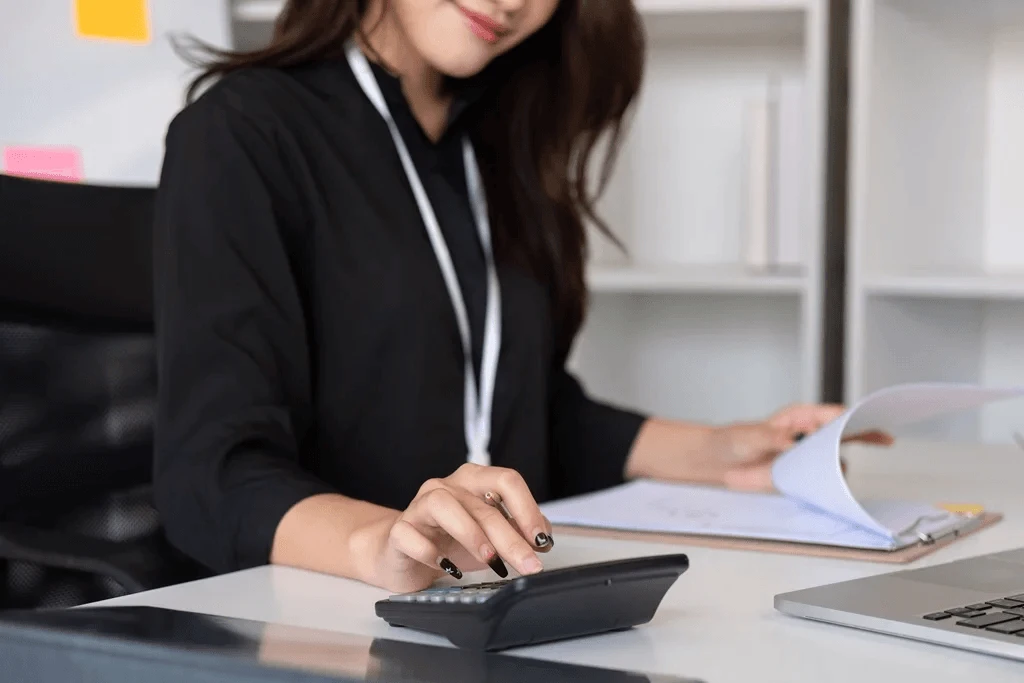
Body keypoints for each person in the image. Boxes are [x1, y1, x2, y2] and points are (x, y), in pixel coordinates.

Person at [152, 0, 890, 595]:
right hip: (311, 611)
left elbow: (523, 408)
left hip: (495, 595)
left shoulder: (500, 146)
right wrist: (386, 543)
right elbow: (212, 472)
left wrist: (722, 452)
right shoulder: (241, 134)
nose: (513, 4)